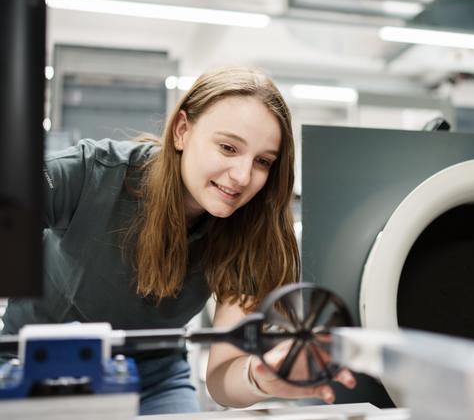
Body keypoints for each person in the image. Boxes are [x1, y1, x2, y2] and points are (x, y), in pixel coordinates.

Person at [2, 66, 355, 414]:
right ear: (182, 131)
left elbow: (221, 379)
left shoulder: (250, 228)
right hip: (31, 364)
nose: (243, 176)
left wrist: (260, 376)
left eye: (263, 161)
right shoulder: (93, 173)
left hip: (153, 379)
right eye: (229, 148)